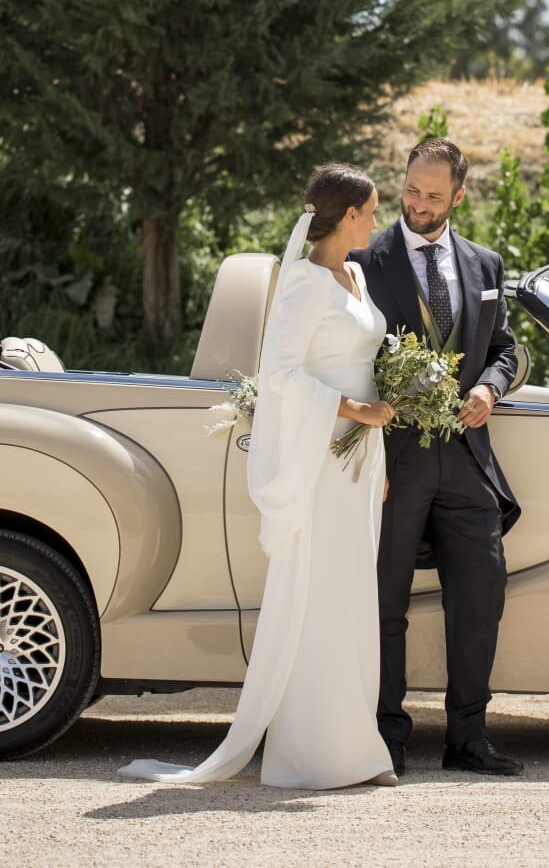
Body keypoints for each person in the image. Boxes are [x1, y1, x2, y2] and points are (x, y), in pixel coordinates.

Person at [119, 163, 397, 790]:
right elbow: (280, 375)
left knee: (354, 596)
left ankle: (357, 746)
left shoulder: (354, 275)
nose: (378, 221)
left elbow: (361, 360)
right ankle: (310, 754)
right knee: (318, 593)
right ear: (347, 215)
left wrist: (376, 447)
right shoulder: (301, 282)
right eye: (372, 210)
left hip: (360, 460)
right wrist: (354, 411)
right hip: (318, 457)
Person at [351, 137, 523, 778]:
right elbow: (348, 356)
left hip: (468, 460)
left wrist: (489, 387)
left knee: (481, 594)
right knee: (384, 598)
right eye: (410, 189)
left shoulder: (485, 265)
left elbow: (505, 348)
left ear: (458, 194)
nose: (418, 204)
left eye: (432, 194)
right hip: (394, 462)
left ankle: (467, 739)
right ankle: (385, 733)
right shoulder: (367, 260)